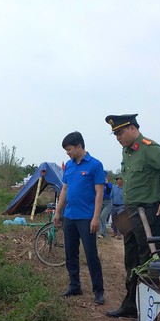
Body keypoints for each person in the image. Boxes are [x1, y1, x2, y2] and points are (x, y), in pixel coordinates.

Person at [104, 114, 160, 318]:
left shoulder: (149, 149)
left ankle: (149, 313)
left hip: (148, 213)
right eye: (115, 134)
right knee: (131, 259)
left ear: (133, 128)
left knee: (148, 262)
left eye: (120, 132)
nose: (117, 137)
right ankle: (131, 304)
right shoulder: (127, 151)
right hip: (131, 212)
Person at [53, 131, 105, 305]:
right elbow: (65, 190)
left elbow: (99, 193)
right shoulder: (69, 165)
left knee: (91, 255)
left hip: (86, 218)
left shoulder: (95, 165)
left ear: (79, 146)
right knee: (70, 253)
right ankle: (74, 285)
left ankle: (98, 290)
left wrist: (96, 217)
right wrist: (58, 212)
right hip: (70, 217)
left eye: (69, 149)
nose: (67, 153)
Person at [98, 172, 113, 238]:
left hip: (108, 202)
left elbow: (108, 192)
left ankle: (102, 233)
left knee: (102, 216)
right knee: (99, 217)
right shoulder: (98, 185)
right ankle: (103, 232)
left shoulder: (109, 184)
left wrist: (106, 184)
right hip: (101, 201)